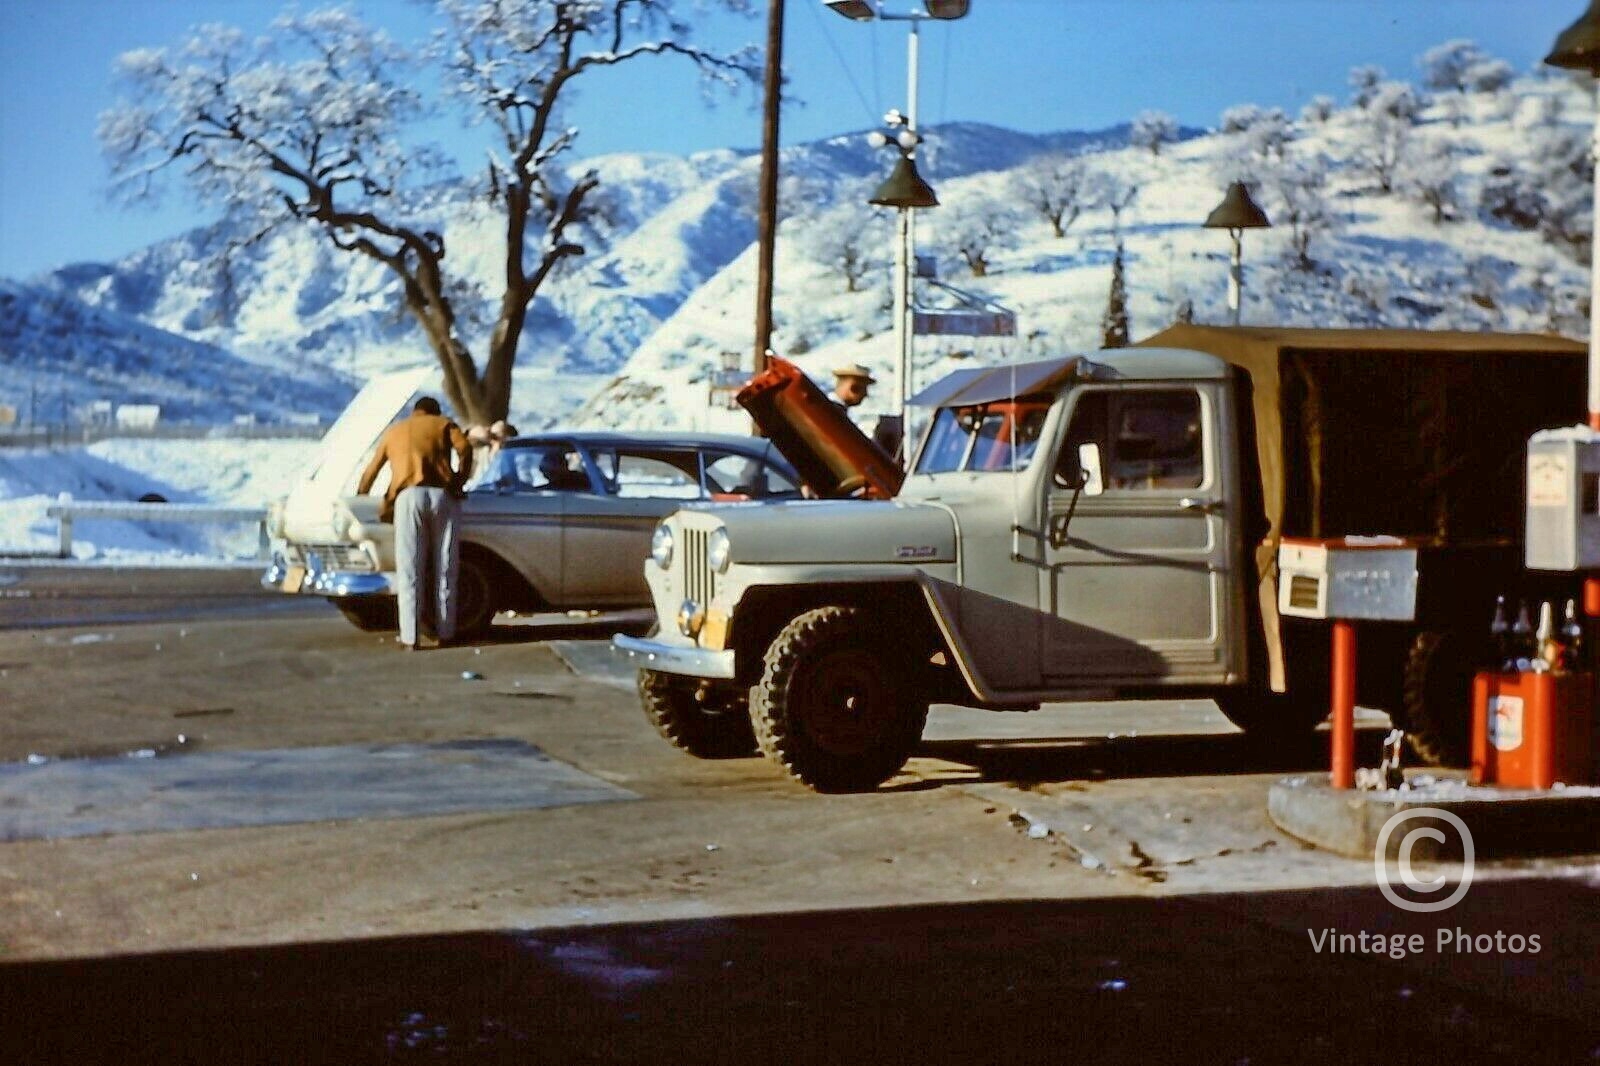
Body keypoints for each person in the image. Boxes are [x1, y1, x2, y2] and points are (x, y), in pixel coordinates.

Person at [357, 397, 473, 651]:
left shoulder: (395, 431)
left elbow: (371, 470)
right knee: (446, 567)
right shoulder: (444, 424)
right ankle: (446, 633)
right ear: (435, 411)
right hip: (442, 496)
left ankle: (411, 637)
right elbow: (465, 448)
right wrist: (458, 480)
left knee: (410, 568)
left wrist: (361, 496)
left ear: (414, 412)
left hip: (407, 498)